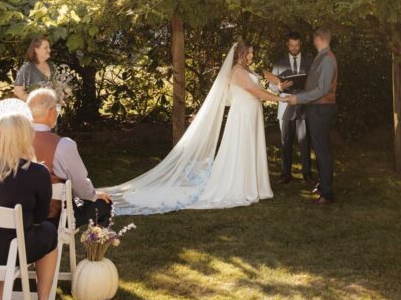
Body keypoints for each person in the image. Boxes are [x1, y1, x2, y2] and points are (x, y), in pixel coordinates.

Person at [106, 40, 281, 214]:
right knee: (242, 150)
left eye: (252, 53)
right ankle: (241, 186)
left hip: (250, 116)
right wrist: (281, 99)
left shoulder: (246, 70)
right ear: (240, 54)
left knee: (249, 149)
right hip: (243, 117)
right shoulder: (238, 71)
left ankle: (252, 185)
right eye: (249, 53)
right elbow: (254, 91)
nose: (252, 56)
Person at [0, 114, 58, 300]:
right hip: (13, 249)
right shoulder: (37, 172)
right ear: (25, 137)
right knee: (48, 232)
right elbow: (39, 218)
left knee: (9, 238)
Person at [27, 89, 112, 227]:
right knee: (104, 204)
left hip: (23, 214)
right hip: (55, 217)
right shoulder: (64, 144)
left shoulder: (14, 142)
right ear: (52, 112)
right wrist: (94, 195)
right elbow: (80, 185)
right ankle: (96, 245)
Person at [283, 26, 337, 205]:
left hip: (321, 109)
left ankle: (327, 193)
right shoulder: (321, 57)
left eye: (314, 39)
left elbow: (322, 89)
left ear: (318, 39)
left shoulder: (327, 59)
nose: (313, 41)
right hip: (316, 108)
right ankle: (323, 186)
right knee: (320, 150)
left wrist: (298, 99)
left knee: (322, 151)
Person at [265, 31, 313, 187]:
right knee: (285, 142)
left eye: (297, 45)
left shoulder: (309, 61)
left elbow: (315, 83)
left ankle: (307, 175)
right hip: (284, 108)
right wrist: (279, 86)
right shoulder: (279, 63)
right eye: (291, 45)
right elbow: (271, 85)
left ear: (301, 45)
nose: (294, 48)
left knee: (305, 142)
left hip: (303, 107)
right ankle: (285, 175)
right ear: (287, 44)